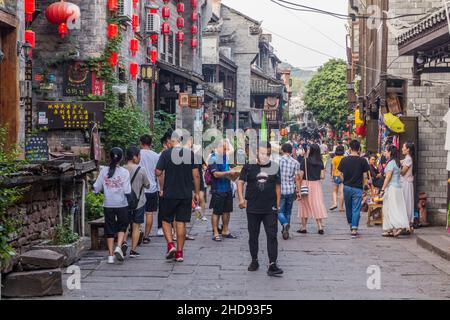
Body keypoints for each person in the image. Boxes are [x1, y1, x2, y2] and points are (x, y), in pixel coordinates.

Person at [237, 141, 283, 277]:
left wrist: (278, 204)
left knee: (272, 235)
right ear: (257, 152)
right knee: (253, 236)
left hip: (270, 207)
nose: (265, 156)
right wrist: (241, 199)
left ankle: (272, 264)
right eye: (263, 153)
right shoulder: (249, 166)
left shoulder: (274, 166)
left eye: (268, 154)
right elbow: (240, 183)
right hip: (253, 208)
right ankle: (254, 260)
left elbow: (277, 186)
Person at [155, 131, 201, 262]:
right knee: (181, 223)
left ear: (171, 141)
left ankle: (170, 245)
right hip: (185, 194)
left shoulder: (166, 154)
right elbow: (196, 175)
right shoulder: (189, 154)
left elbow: (158, 172)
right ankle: (179, 253)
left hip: (169, 194)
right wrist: (196, 192)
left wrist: (162, 186)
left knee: (165, 220)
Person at [93, 148, 131, 264]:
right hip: (121, 203)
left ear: (109, 157)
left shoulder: (104, 171)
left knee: (109, 228)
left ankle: (110, 256)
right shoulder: (124, 172)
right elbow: (127, 190)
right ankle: (118, 246)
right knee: (122, 226)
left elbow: (96, 187)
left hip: (108, 203)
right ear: (122, 158)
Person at [338, 140, 370, 238]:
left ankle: (351, 223)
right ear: (359, 149)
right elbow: (365, 176)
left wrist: (344, 180)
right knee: (356, 208)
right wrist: (365, 187)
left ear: (350, 148)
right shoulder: (363, 160)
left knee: (348, 207)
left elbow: (339, 174)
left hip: (347, 187)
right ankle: (354, 228)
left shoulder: (344, 160)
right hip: (358, 188)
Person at [209, 139, 239, 242]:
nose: (226, 150)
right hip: (218, 189)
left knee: (227, 211)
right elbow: (216, 174)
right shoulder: (213, 158)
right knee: (216, 211)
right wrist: (228, 173)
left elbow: (232, 150)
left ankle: (225, 230)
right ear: (218, 147)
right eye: (224, 148)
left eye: (227, 148)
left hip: (227, 188)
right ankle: (216, 232)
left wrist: (233, 173)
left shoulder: (225, 156)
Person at [124, 146, 150, 258]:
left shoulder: (122, 169)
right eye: (139, 155)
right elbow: (147, 185)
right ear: (135, 157)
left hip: (124, 202)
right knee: (136, 227)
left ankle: (123, 243)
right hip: (139, 202)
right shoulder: (141, 170)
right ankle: (133, 250)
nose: (139, 158)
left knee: (124, 226)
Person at [380, 145, 411, 237]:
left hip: (392, 188)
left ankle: (399, 225)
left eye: (386, 151)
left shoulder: (391, 163)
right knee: (397, 207)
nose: (385, 153)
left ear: (390, 152)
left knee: (391, 208)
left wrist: (382, 189)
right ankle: (389, 229)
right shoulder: (397, 163)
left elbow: (388, 178)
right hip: (398, 188)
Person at [297, 144, 327, 234]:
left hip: (305, 184)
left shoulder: (305, 161)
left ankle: (304, 227)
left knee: (304, 205)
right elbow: (322, 176)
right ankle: (320, 226)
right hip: (316, 185)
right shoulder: (320, 162)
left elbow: (300, 176)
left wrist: (298, 187)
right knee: (317, 204)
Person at [139, 134, 160, 243]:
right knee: (149, 213)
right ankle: (146, 236)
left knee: (137, 213)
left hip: (139, 189)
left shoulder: (137, 155)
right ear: (151, 143)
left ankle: (136, 234)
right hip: (152, 188)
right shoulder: (156, 155)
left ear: (141, 143)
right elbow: (159, 173)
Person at [278, 143, 301, 240]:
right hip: (291, 189)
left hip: (279, 190)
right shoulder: (295, 162)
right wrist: (298, 191)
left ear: (282, 150)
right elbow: (297, 179)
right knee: (288, 211)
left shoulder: (277, 161)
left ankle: (284, 223)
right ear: (291, 151)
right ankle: (285, 229)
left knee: (278, 210)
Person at [401, 142, 415, 229]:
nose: (402, 149)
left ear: (408, 149)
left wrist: (395, 169)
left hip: (406, 183)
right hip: (405, 183)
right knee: (406, 202)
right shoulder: (407, 158)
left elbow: (403, 172)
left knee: (406, 202)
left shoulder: (408, 159)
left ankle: (407, 222)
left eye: (403, 147)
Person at [330, 145, 345, 212]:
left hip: (336, 175)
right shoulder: (344, 158)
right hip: (343, 175)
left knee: (335, 191)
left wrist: (332, 176)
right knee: (342, 192)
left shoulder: (334, 158)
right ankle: (341, 207)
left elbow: (333, 169)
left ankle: (335, 203)